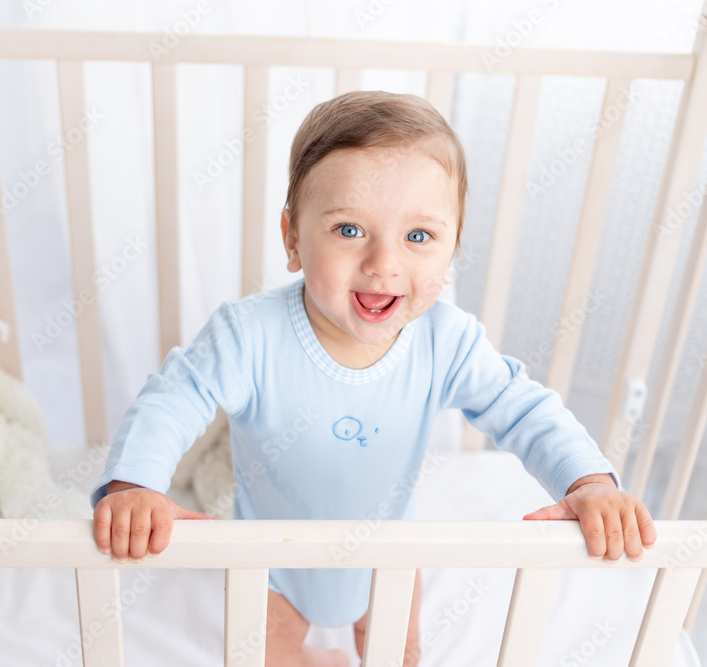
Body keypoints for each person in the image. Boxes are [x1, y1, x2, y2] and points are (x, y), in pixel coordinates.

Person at [90, 90, 657, 667]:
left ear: (451, 248)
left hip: (386, 561)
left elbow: (525, 408)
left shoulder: (444, 340)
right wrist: (135, 486)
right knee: (263, 658)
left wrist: (588, 483)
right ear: (291, 238)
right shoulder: (249, 335)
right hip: (273, 567)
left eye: (418, 237)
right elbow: (174, 396)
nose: (383, 263)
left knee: (398, 656)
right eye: (349, 230)